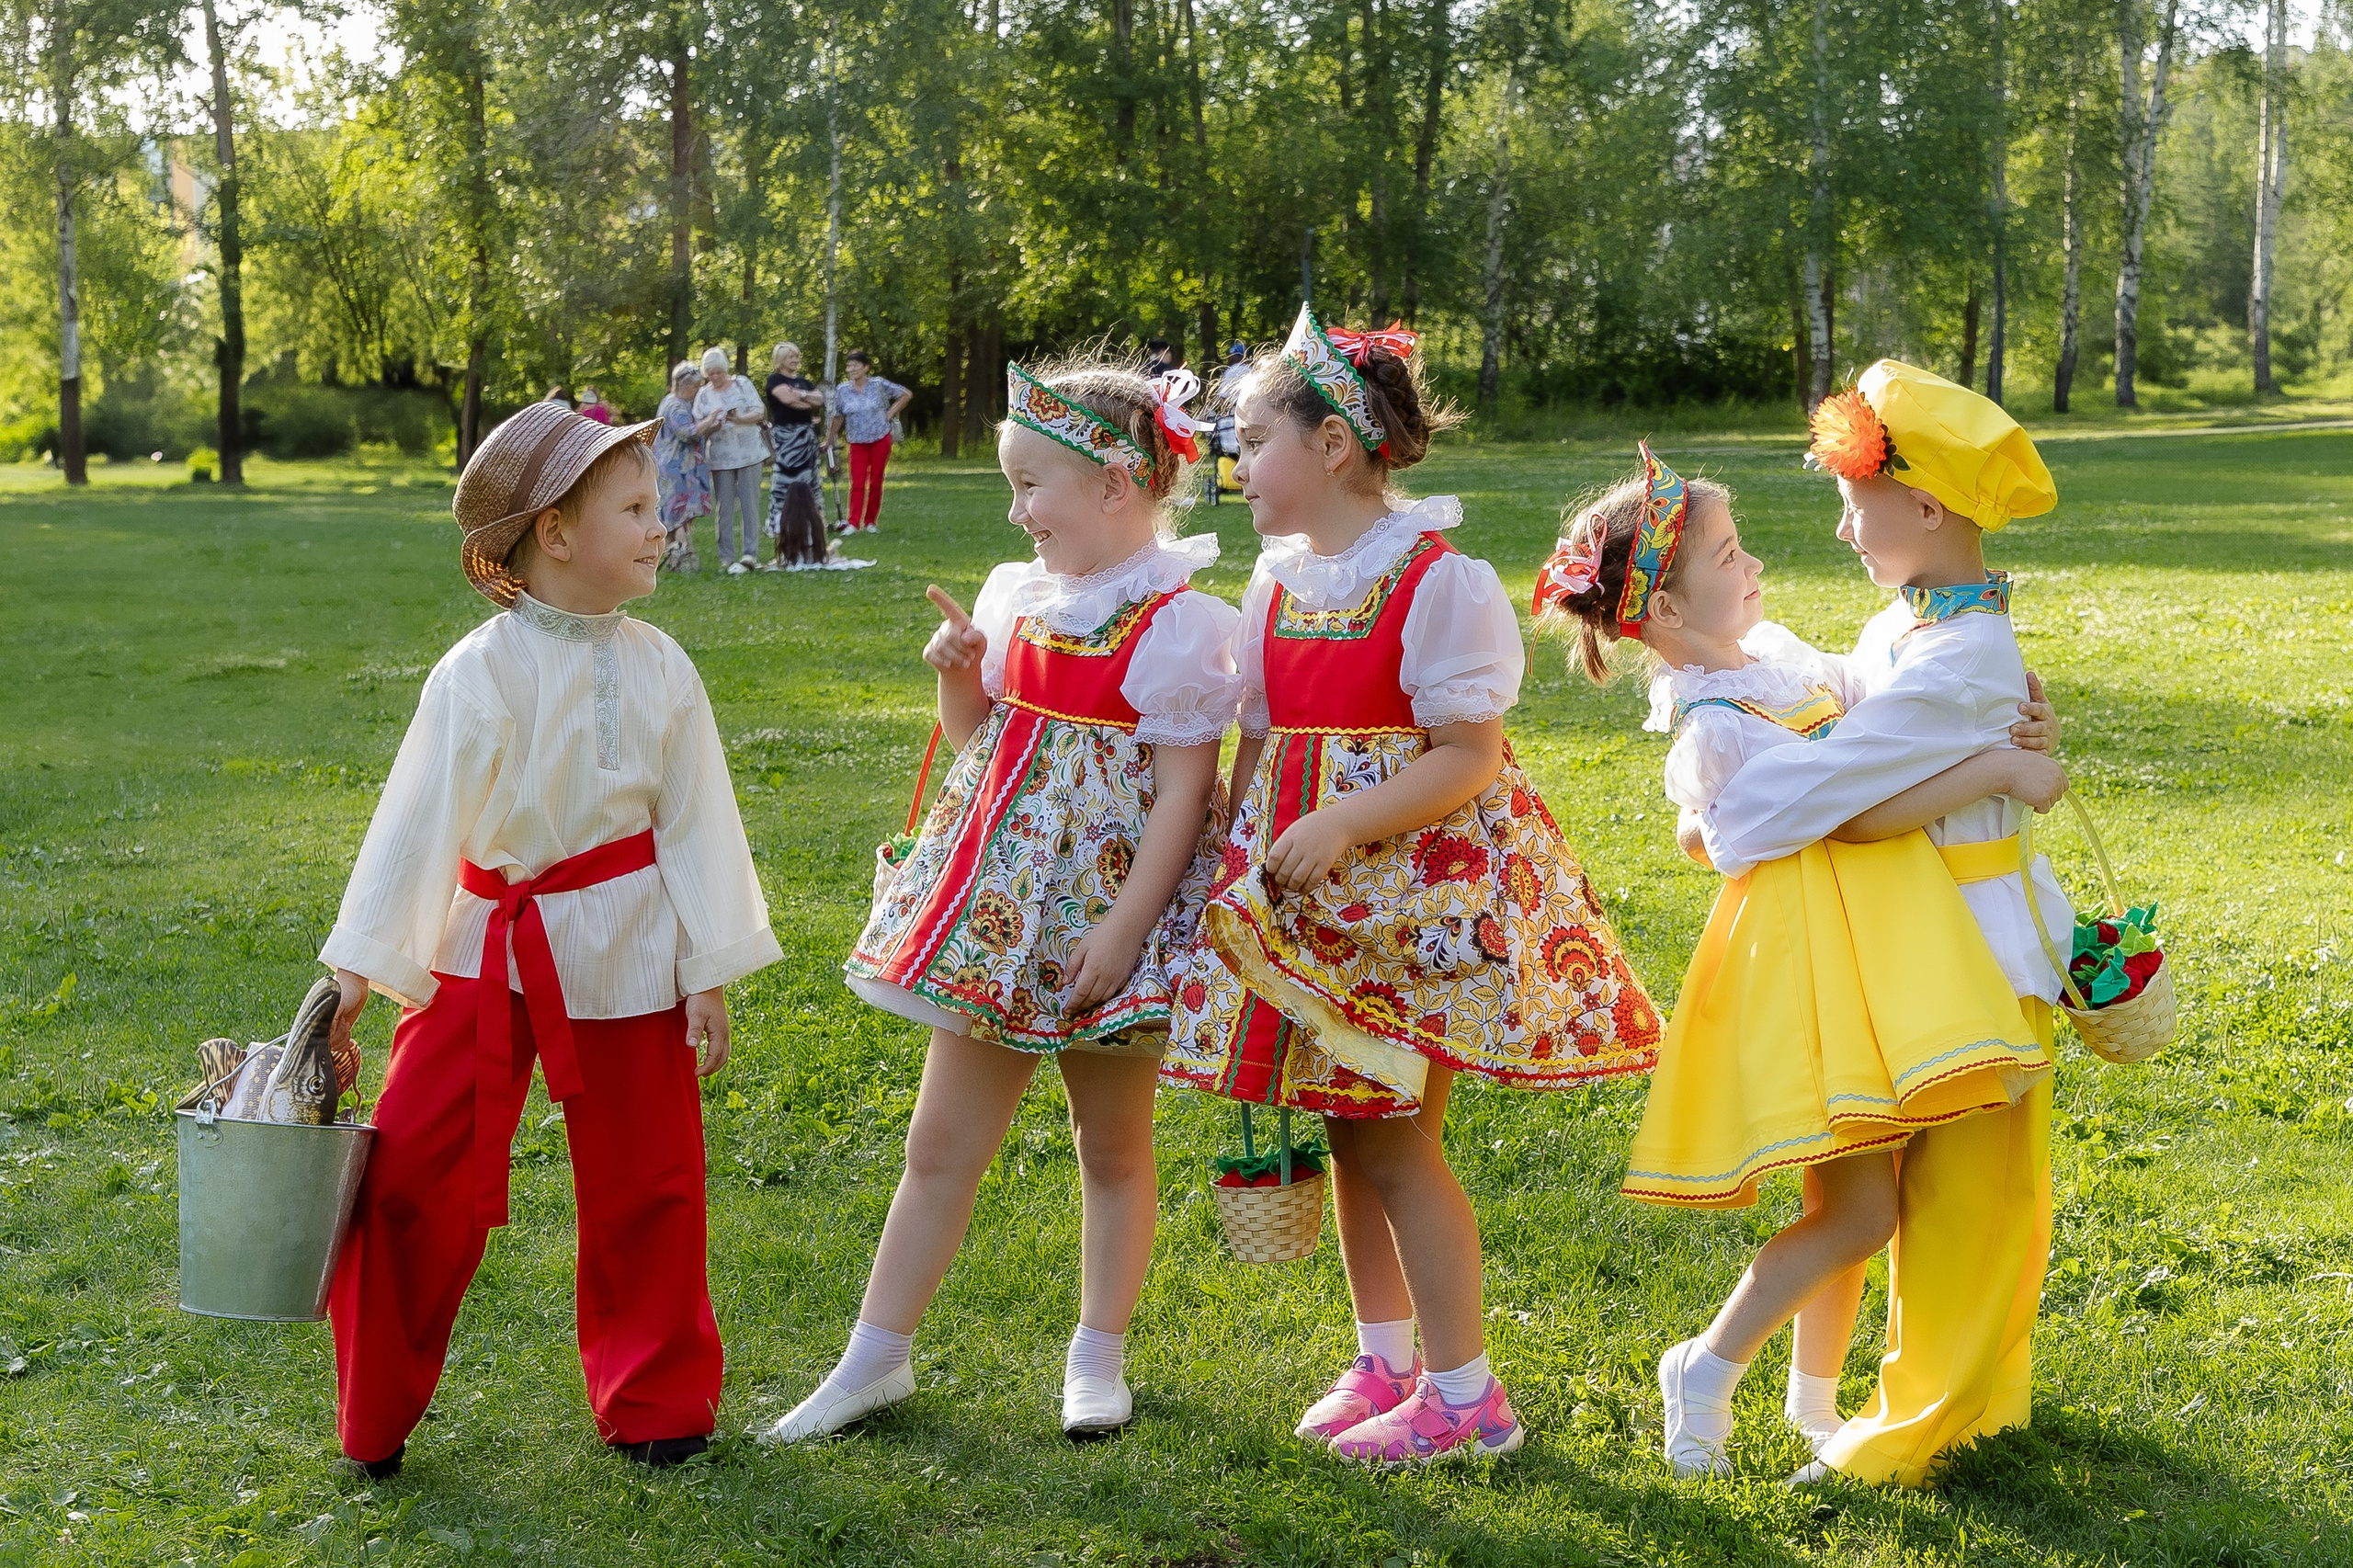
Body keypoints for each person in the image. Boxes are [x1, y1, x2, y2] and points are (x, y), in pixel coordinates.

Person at [1159, 308, 1662, 1465]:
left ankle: (1468, 1393)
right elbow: (1263, 733)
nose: (1234, 463)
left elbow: (1466, 752)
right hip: (1309, 895)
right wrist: (1241, 841)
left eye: (1251, 438)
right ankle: (1386, 1355)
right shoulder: (1277, 579)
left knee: (1395, 1138)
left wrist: (1339, 818)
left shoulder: (1436, 578)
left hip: (1407, 899)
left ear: (1332, 445)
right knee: (1348, 1126)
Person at [1531, 443, 2065, 1472]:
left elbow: (1878, 718)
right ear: (1671, 616)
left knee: (1855, 1202)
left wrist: (2011, 725)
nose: (1753, 565)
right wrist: (1995, 764)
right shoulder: (1716, 722)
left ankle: (1813, 1401)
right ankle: (1705, 1364)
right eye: (1729, 555)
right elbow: (1837, 806)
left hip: (1868, 960)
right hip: (1810, 971)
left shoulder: (1766, 655)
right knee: (1859, 1208)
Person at [765, 358, 1234, 1447]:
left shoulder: (1181, 622)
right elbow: (985, 753)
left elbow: (1181, 795)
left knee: (1110, 1144)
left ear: (1117, 482)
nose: (1017, 511)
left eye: (1032, 486)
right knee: (940, 1144)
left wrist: (1124, 929)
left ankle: (1097, 1353)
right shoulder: (1013, 595)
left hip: (1114, 919)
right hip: (1003, 918)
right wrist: (958, 673)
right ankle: (872, 1358)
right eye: (1012, 488)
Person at [316, 402, 783, 1477]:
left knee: (651, 1176)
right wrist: (355, 974)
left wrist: (707, 969)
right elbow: (416, 825)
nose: (661, 525)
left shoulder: (663, 666)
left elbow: (697, 818)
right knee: (410, 1177)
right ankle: (374, 1410)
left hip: (628, 948)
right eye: (634, 508)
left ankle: (658, 1399)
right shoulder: (476, 672)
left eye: (656, 504)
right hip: (488, 948)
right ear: (555, 534)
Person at [1688, 360, 2075, 1487]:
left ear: (1923, 507)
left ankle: (1913, 1425)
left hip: (1979, 957)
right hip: (1918, 955)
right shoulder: (1915, 625)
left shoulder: (1964, 658)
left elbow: (1809, 796)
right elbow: (1840, 708)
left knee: (1970, 1206)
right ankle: (1964, 1398)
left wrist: (1730, 798)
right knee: (1930, 1197)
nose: (1845, 526)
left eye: (1857, 503)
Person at [694, 347, 768, 574]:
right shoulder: (703, 394)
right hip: (720, 457)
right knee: (724, 508)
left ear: (725, 369)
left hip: (749, 453)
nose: (715, 377)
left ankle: (750, 554)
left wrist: (739, 419)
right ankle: (726, 557)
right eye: (710, 374)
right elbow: (697, 425)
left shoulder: (742, 384)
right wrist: (712, 423)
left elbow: (760, 412)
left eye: (718, 372)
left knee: (750, 504)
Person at [827, 350, 910, 534]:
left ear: (866, 367)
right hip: (856, 442)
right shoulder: (843, 390)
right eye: (849, 365)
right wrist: (829, 440)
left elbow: (905, 394)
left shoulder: (878, 384)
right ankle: (853, 523)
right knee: (857, 482)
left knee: (875, 480)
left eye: (856, 365)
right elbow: (837, 416)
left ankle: (871, 522)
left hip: (880, 438)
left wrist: (890, 413)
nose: (852, 369)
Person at [763, 342, 826, 569]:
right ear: (780, 359)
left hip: (807, 440)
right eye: (791, 357)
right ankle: (783, 541)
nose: (795, 360)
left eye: (797, 356)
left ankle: (815, 542)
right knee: (785, 487)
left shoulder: (803, 382)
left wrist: (800, 394)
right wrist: (806, 402)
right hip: (788, 441)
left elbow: (819, 399)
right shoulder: (775, 380)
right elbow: (786, 400)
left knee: (812, 487)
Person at [654, 362, 718, 574]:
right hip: (675, 470)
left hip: (676, 466)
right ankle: (683, 557)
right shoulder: (676, 406)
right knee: (678, 514)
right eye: (695, 387)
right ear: (685, 387)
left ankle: (676, 557)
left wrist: (710, 427)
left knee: (677, 514)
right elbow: (687, 433)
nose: (698, 391)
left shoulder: (672, 402)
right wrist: (710, 418)